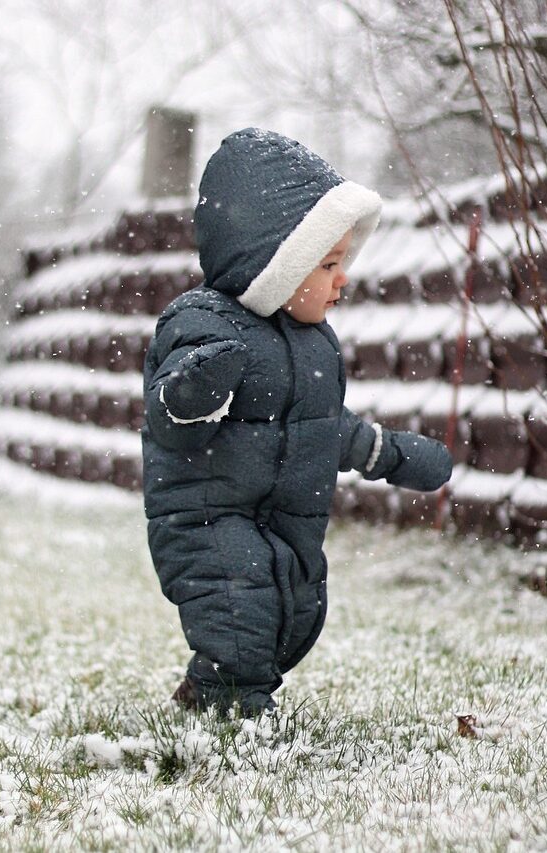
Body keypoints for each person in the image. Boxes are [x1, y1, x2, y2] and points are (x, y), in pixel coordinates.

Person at [141, 128, 452, 716]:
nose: (344, 279)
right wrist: (198, 387)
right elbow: (171, 421)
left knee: (294, 611)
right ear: (274, 266)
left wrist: (390, 453)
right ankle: (236, 717)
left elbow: (322, 427)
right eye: (328, 263)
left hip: (284, 517)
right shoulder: (203, 325)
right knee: (240, 611)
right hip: (207, 515)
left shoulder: (313, 346)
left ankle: (207, 692)